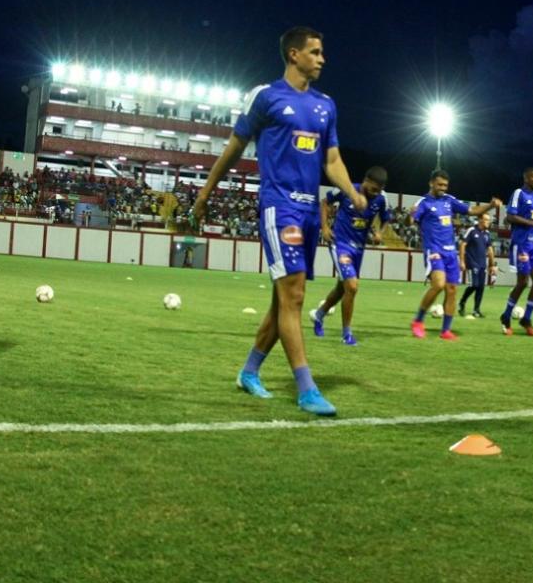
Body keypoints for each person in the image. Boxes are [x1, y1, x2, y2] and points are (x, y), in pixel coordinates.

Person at [193, 26, 365, 417]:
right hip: (279, 207)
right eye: (315, 52)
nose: (322, 59)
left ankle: (249, 372)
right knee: (294, 296)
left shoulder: (326, 105)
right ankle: (306, 388)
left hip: (308, 211)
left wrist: (352, 193)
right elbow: (235, 148)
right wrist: (205, 193)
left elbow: (332, 160)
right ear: (293, 54)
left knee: (282, 300)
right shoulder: (266, 96)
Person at [408, 170, 501, 340]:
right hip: (434, 250)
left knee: (451, 290)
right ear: (431, 183)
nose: (443, 188)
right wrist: (410, 215)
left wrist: (490, 205)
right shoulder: (423, 202)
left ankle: (445, 330)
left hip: (450, 252)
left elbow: (472, 210)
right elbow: (411, 221)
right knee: (438, 284)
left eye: (445, 185)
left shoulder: (449, 200)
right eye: (439, 185)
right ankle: (418, 321)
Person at [310, 166, 392, 345]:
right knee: (352, 287)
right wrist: (324, 227)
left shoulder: (381, 198)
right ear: (366, 181)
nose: (374, 194)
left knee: (342, 288)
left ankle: (319, 315)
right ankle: (346, 334)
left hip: (359, 249)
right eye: (372, 189)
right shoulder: (346, 189)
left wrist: (379, 232)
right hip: (340, 244)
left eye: (378, 191)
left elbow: (386, 218)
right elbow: (324, 202)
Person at [500, 168, 533, 336]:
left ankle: (526, 318)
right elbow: (510, 217)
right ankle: (506, 316)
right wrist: (532, 223)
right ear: (526, 177)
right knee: (522, 282)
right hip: (521, 244)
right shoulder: (518, 193)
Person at [457, 212, 496, 317]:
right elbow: (462, 245)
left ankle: (476, 310)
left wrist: (492, 265)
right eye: (486, 219)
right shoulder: (471, 230)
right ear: (480, 220)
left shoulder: (487, 234)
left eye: (489, 220)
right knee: (474, 285)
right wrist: (461, 261)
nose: (488, 222)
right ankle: (462, 302)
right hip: (471, 262)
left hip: (482, 264)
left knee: (480, 287)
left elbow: (490, 249)